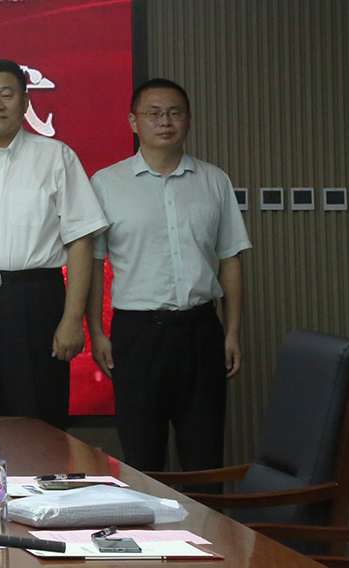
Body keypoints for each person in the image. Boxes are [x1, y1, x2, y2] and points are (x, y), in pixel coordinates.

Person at [85, 79, 248, 472]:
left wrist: (231, 332)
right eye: (154, 113)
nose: (165, 122)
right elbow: (92, 264)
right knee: (143, 458)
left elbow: (230, 259)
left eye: (175, 113)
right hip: (137, 335)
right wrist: (96, 332)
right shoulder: (106, 183)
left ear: (188, 120)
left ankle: (207, 517)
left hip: (201, 330)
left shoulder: (214, 180)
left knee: (205, 456)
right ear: (133, 122)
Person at [0, 58, 107, 426]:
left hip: (36, 301)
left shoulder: (56, 157)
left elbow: (81, 241)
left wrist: (72, 320)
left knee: (39, 417)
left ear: (26, 101)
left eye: (7, 95)